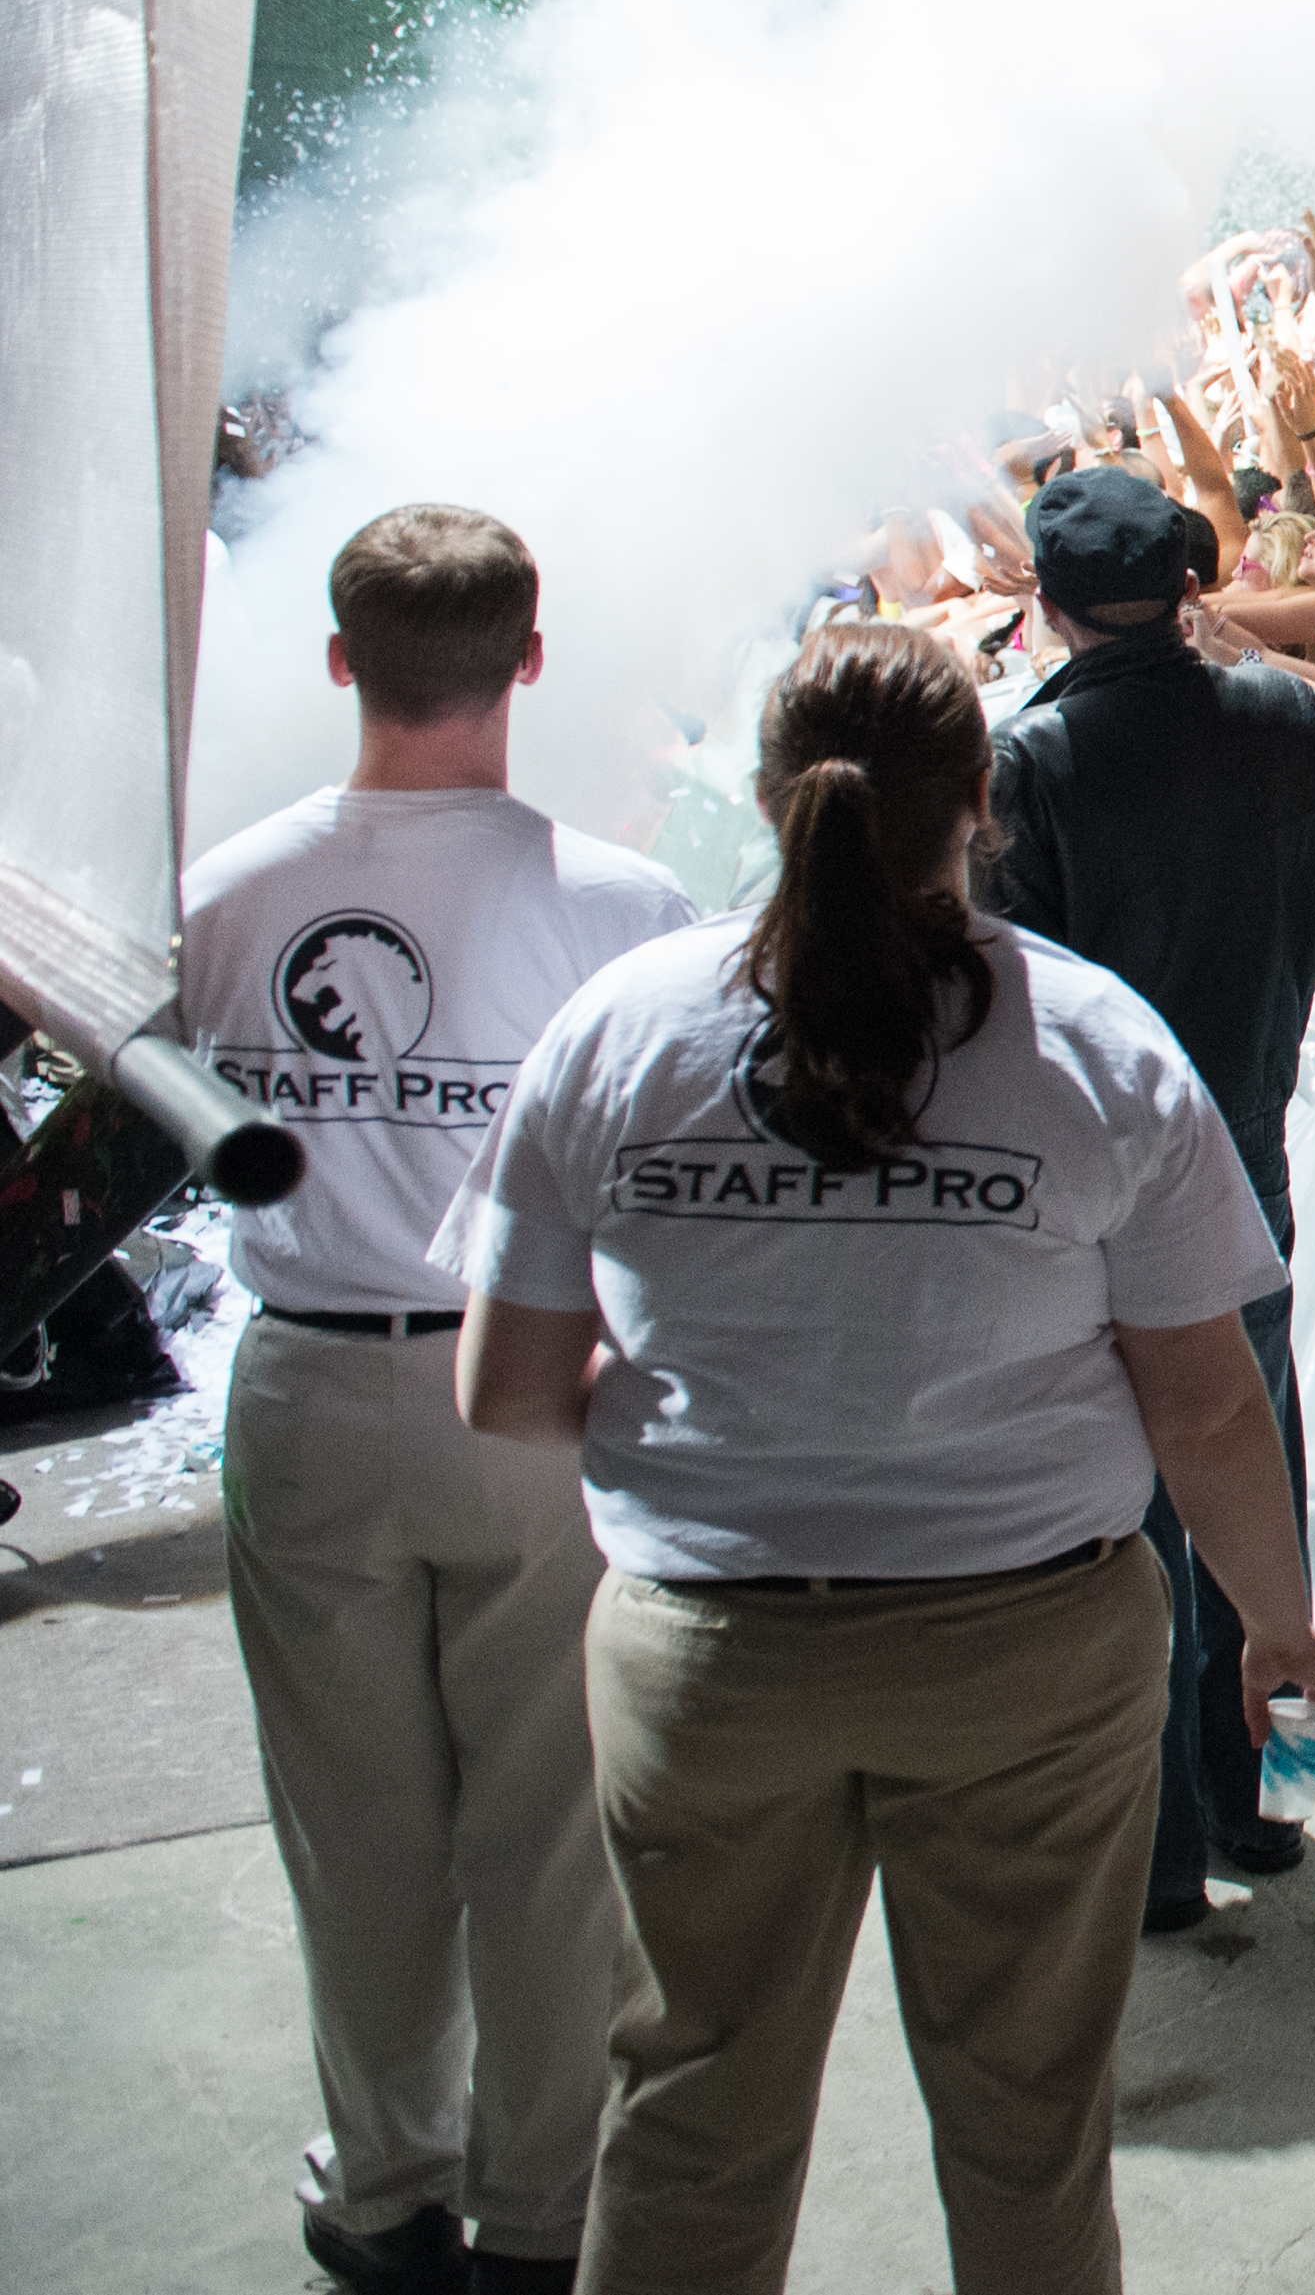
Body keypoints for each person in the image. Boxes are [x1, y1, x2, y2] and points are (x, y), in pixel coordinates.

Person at [448, 623, 1315, 2295]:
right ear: (982, 800)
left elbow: (505, 1388)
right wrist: (1277, 1627)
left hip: (712, 1649)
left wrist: (715, 1428)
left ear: (762, 794)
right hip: (1027, 1652)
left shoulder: (617, 1029)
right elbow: (1209, 1405)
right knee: (1027, 2124)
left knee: (692, 2105)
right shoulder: (1094, 1045)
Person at [179, 506, 699, 2295]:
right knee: (549, 1829)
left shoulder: (222, 893)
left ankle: (385, 2182)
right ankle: (539, 2211)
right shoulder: (622, 909)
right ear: (528, 660)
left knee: (353, 1826)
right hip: (528, 1386)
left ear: (341, 660)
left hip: (309, 1382)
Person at [983, 471, 1315, 1931]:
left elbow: (1005, 994)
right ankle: (1274, 1812)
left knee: (1124, 1526)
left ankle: (1161, 1858)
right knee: (1256, 1502)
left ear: (1048, 603)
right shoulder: (1290, 718)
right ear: (1188, 585)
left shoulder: (1030, 756)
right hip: (1245, 1156)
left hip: (1085, 1188)